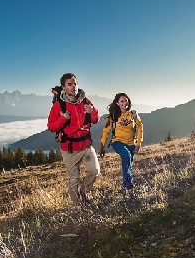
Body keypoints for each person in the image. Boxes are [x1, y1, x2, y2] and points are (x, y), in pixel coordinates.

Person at [47, 72, 100, 206]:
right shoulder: (59, 105)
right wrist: (63, 119)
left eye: (75, 83)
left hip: (86, 145)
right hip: (69, 149)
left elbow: (95, 120)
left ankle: (84, 191)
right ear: (64, 87)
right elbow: (51, 127)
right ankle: (76, 206)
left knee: (94, 171)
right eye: (69, 84)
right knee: (73, 180)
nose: (73, 87)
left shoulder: (86, 101)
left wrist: (92, 110)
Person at [99, 92, 143, 190]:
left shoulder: (134, 114)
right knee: (126, 156)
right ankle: (128, 183)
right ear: (118, 103)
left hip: (131, 143)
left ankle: (126, 184)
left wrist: (138, 144)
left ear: (128, 102)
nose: (124, 103)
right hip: (117, 142)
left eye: (126, 101)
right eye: (122, 101)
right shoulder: (113, 116)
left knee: (128, 164)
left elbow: (140, 128)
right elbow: (106, 131)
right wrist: (102, 146)